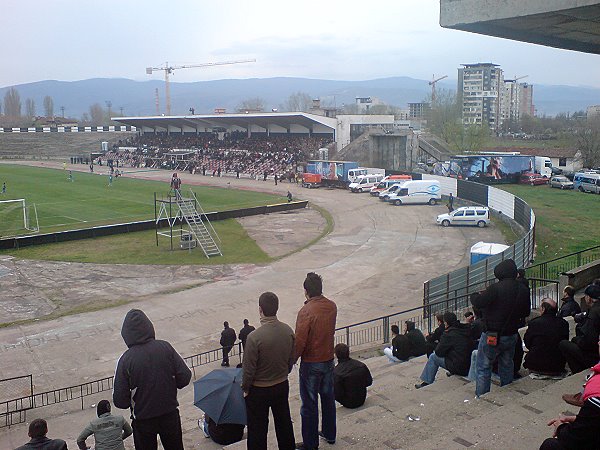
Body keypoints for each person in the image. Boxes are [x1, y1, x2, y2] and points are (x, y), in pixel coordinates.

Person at [113, 309, 191, 450]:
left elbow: (120, 401)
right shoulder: (165, 347)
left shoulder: (126, 360)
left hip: (143, 420)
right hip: (169, 414)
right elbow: (185, 377)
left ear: (126, 334)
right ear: (149, 327)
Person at [242, 291, 296, 450]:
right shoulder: (288, 331)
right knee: (284, 422)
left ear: (260, 309)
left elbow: (249, 369)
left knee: (257, 428)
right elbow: (291, 359)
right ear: (277, 308)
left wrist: (245, 388)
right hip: (281, 384)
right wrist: (283, 372)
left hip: (259, 390)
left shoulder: (254, 337)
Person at [470, 259, 531, 396]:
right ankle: (506, 392)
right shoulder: (523, 289)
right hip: (511, 334)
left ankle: (482, 395)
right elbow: (526, 312)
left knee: (483, 366)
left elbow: (479, 303)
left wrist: (474, 295)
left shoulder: (495, 288)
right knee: (507, 364)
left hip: (492, 334)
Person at [294, 272, 337, 449]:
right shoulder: (332, 306)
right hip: (328, 360)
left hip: (311, 363)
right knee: (328, 399)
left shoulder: (306, 312)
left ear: (306, 291)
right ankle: (329, 433)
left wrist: (291, 360)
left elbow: (300, 341)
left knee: (309, 405)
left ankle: (311, 444)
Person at [540, 357, 600, 449]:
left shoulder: (597, 393)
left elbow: (575, 438)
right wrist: (579, 419)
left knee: (550, 445)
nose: (598, 343)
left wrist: (560, 427)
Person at [415, 312, 473, 388]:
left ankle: (427, 381)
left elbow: (439, 352)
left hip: (459, 367)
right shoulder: (465, 328)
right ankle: (451, 372)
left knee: (433, 357)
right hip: (468, 364)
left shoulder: (448, 334)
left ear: (446, 323)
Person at [559, 284, 600, 374]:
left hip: (593, 355)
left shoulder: (594, 314)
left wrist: (577, 340)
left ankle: (577, 370)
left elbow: (588, 341)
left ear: (588, 298)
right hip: (595, 350)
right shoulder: (594, 310)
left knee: (563, 344)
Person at [524, 299, 569, 375]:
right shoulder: (563, 323)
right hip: (557, 365)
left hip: (536, 365)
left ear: (543, 309)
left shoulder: (534, 323)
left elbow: (527, 343)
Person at [333, 343, 373, 408]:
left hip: (348, 402)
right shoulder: (361, 365)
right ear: (348, 352)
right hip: (362, 398)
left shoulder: (336, 372)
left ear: (336, 355)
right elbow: (369, 382)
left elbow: (337, 394)